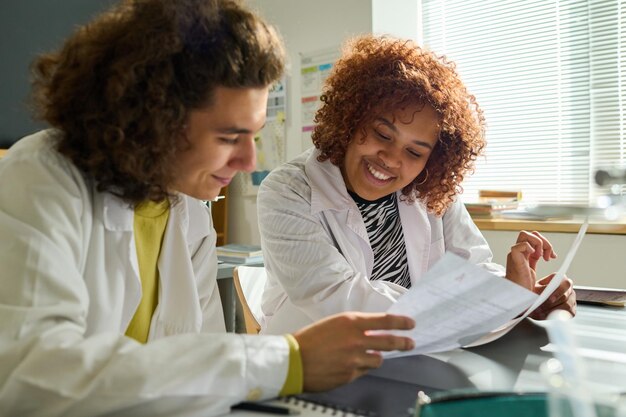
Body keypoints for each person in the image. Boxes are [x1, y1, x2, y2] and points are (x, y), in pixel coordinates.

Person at [0, 4, 417, 416]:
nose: (248, 163)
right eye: (227, 137)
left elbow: (204, 369)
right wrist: (288, 361)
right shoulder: (41, 178)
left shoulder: (188, 211)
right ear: (151, 119)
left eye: (253, 135)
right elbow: (33, 379)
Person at [257, 35, 576, 335]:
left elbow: (471, 268)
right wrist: (495, 303)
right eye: (383, 134)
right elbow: (338, 297)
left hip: (416, 355)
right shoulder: (288, 190)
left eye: (414, 152)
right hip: (313, 366)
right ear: (351, 119)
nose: (391, 159)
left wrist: (522, 291)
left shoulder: (429, 188)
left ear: (432, 160)